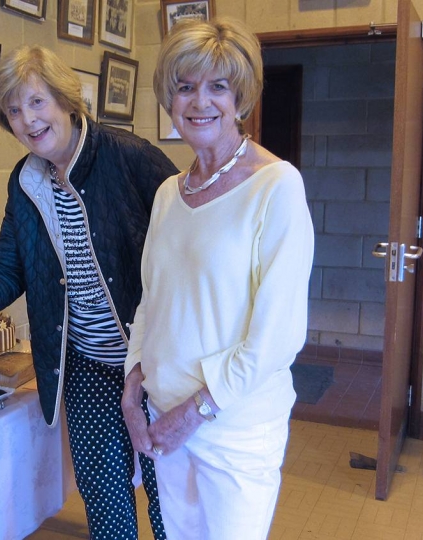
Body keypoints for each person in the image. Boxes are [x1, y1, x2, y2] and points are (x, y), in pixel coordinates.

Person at [0, 45, 178, 540]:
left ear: (67, 100)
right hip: (86, 364)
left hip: (155, 363)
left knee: (170, 498)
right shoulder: (27, 179)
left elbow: (186, 252)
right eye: (13, 109)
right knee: (105, 498)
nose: (26, 120)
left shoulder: (132, 158)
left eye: (36, 102)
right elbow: (8, 271)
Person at [121, 18, 314, 540]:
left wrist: (195, 410)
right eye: (185, 87)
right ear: (169, 97)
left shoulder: (276, 187)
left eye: (217, 87)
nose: (199, 101)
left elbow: (277, 336)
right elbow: (150, 303)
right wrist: (132, 382)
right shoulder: (168, 192)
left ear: (241, 97)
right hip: (166, 420)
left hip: (232, 428)